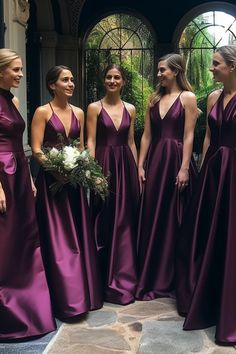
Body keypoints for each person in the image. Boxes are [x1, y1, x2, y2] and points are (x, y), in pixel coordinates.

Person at [31, 65, 103, 319]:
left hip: (72, 184)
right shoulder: (42, 112)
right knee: (57, 240)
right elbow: (36, 147)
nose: (71, 84)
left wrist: (81, 168)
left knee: (76, 237)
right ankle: (64, 298)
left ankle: (83, 294)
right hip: (51, 185)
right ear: (53, 85)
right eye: (65, 80)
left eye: (72, 79)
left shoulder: (80, 113)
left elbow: (81, 147)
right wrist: (54, 169)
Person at [176, 45, 236, 345]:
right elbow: (208, 137)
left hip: (234, 172)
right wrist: (199, 169)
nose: (211, 68)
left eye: (216, 64)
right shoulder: (213, 97)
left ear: (232, 66)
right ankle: (207, 296)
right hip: (213, 171)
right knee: (205, 234)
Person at [0, 48, 56, 339]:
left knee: (25, 238)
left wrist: (30, 180)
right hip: (1, 175)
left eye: (21, 69)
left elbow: (18, 142)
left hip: (19, 172)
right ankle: (7, 310)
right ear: (0, 71)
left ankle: (29, 306)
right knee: (5, 241)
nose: (21, 74)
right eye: (16, 70)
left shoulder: (14, 99)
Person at [135, 53, 198, 301]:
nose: (159, 74)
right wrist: (140, 165)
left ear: (176, 71)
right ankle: (152, 275)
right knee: (154, 215)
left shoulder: (188, 98)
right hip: (156, 162)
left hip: (176, 161)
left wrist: (184, 168)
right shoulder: (153, 99)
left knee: (176, 217)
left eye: (163, 70)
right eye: (159, 71)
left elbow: (189, 135)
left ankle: (174, 277)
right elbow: (146, 136)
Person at [86, 63, 139, 305]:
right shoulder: (94, 108)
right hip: (104, 164)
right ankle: (103, 276)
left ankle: (125, 276)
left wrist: (137, 170)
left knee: (125, 219)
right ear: (103, 80)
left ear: (123, 82)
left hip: (125, 166)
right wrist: (93, 172)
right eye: (108, 77)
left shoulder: (131, 108)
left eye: (117, 77)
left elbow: (130, 142)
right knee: (105, 217)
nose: (113, 81)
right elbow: (90, 141)